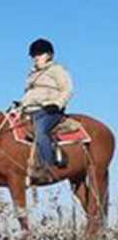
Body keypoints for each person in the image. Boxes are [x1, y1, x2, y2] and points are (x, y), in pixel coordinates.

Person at [21, 38, 73, 182]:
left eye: (39, 54)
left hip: (49, 111)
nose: (35, 57)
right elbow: (30, 94)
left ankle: (47, 168)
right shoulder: (31, 75)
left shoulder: (57, 70)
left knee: (40, 131)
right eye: (33, 55)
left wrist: (57, 103)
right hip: (29, 110)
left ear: (49, 55)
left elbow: (67, 89)